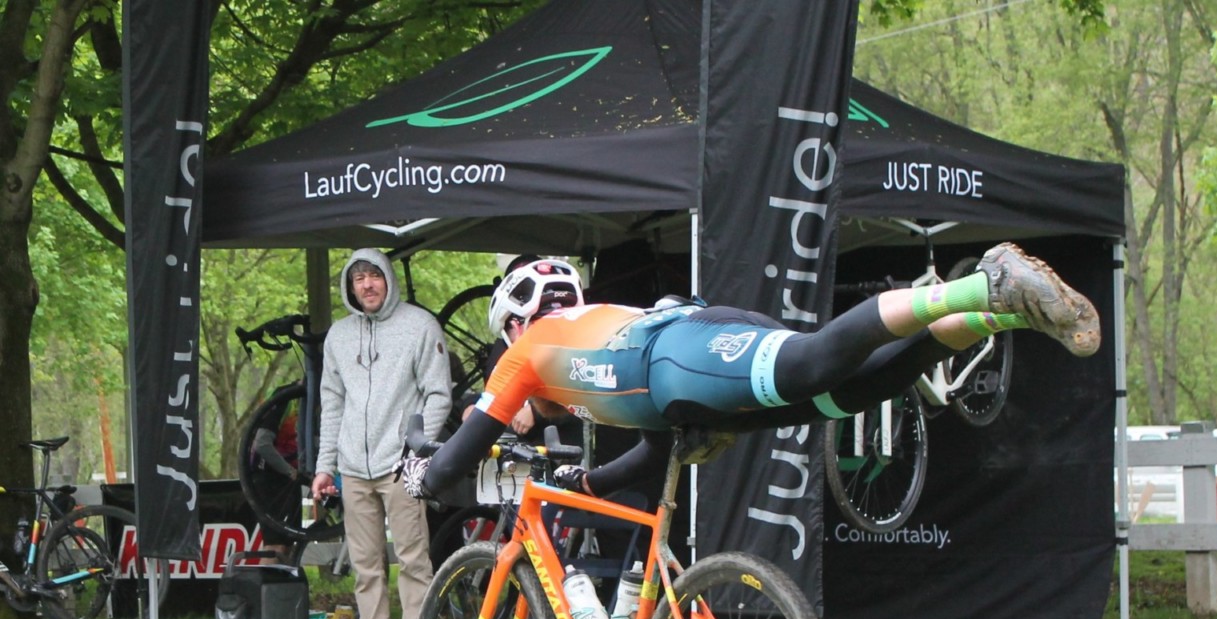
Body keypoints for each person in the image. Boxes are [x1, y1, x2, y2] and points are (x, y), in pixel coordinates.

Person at [411, 243, 1100, 505]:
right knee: (858, 388)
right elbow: (659, 441)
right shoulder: (575, 354)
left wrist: (417, 476)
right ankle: (1005, 315)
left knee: (819, 361)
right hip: (684, 391)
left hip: (680, 354)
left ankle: (979, 283)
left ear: (509, 326)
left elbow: (451, 469)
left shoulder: (526, 356)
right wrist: (587, 480)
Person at [312, 248, 453, 619]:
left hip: (402, 465)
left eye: (375, 275)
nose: (368, 284)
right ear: (349, 287)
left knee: (414, 560)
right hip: (354, 467)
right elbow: (331, 404)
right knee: (366, 563)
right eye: (359, 279)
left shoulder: (419, 326)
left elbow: (439, 395)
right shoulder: (338, 335)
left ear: (388, 279)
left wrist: (417, 452)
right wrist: (324, 465)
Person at [247, 386, 303, 562]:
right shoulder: (285, 398)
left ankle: (285, 588)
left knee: (288, 546)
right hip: (267, 475)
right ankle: (263, 588)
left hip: (289, 479)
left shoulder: (317, 398)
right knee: (275, 546)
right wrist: (289, 471)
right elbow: (262, 444)